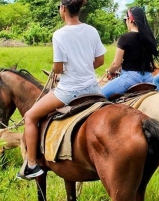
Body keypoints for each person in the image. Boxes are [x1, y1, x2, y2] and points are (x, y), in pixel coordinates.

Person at [17, 0, 106, 180]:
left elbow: (58, 68)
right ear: (79, 9)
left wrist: (60, 71)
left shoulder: (59, 34)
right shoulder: (92, 30)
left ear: (63, 9)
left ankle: (32, 164)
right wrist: (83, 67)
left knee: (30, 117)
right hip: (93, 89)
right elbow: (100, 61)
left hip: (69, 90)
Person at [101, 6, 159, 99]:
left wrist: (109, 71)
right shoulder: (149, 38)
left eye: (126, 19)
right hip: (149, 79)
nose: (126, 22)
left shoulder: (125, 37)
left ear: (130, 20)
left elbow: (116, 64)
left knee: (99, 96)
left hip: (130, 78)